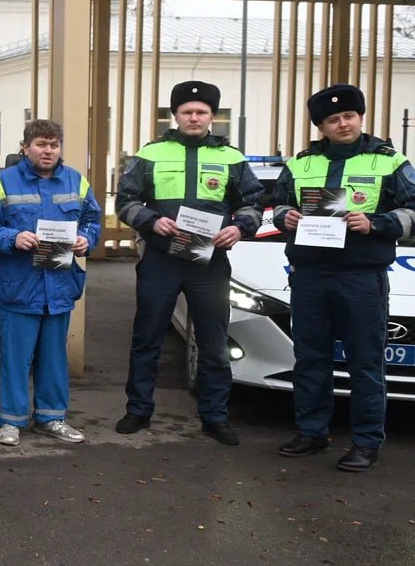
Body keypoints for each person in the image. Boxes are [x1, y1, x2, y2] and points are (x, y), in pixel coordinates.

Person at [273, 84, 415, 472]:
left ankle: (367, 441)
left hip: (361, 276)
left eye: (349, 116)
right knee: (310, 358)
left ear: (361, 117)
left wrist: (377, 222)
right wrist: (283, 216)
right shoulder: (300, 163)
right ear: (321, 126)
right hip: (310, 275)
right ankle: (312, 431)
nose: (343, 124)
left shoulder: (388, 161)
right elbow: (279, 203)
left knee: (365, 362)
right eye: (333, 119)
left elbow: (413, 209)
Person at [114, 80, 263, 445]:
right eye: (187, 112)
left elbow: (254, 203)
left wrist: (239, 227)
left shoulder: (232, 159)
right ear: (175, 115)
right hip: (161, 259)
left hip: (208, 262)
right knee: (147, 337)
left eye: (202, 112)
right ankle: (138, 410)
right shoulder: (150, 155)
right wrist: (150, 220)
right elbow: (125, 201)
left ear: (213, 116)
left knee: (213, 342)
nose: (194, 117)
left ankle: (214, 416)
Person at [0, 119, 101, 446]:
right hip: (20, 287)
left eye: (54, 145)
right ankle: (11, 420)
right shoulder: (3, 184)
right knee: (15, 358)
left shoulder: (76, 181)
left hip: (59, 287)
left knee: (54, 358)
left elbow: (91, 219)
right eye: (41, 144)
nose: (48, 151)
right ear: (25, 147)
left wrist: (86, 239)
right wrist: (12, 237)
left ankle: (52, 417)